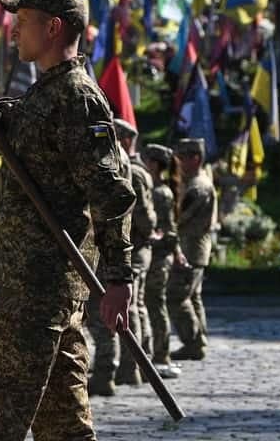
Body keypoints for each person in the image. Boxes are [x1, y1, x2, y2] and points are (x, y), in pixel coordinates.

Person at [0, 0, 136, 440]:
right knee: (62, 424)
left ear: (53, 28)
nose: (14, 32)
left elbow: (110, 191)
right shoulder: (44, 94)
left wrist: (119, 278)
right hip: (39, 279)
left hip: (42, 282)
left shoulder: (76, 97)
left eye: (23, 22)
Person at [88, 117, 156, 396]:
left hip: (108, 246)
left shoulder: (110, 160)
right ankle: (129, 367)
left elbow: (134, 212)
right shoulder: (124, 161)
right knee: (125, 310)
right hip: (117, 245)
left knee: (102, 314)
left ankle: (107, 372)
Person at [166, 137, 214, 362]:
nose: (178, 162)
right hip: (194, 248)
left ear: (196, 159)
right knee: (193, 297)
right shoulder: (195, 182)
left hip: (191, 249)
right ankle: (199, 341)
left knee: (176, 296)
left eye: (182, 157)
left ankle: (193, 342)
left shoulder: (197, 187)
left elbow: (180, 217)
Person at [140, 143, 185, 379]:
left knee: (155, 304)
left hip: (159, 255)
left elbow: (167, 226)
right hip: (157, 253)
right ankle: (157, 353)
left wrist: (174, 251)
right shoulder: (156, 188)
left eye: (146, 160)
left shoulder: (160, 192)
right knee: (152, 303)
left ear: (155, 165)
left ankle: (161, 354)